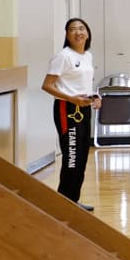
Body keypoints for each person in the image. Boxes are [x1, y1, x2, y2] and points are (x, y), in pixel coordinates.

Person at [42, 17, 99, 206]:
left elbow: (82, 84)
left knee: (82, 157)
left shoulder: (87, 56)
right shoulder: (63, 56)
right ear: (67, 35)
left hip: (84, 109)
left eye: (82, 28)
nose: (78, 32)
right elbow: (47, 86)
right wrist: (72, 99)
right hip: (67, 109)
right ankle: (63, 204)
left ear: (88, 33)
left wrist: (95, 97)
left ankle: (73, 201)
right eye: (73, 29)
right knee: (72, 157)